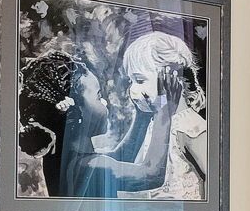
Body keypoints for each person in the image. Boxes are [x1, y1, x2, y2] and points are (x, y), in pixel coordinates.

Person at [87, 30, 207, 200]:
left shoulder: (190, 127)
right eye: (131, 81)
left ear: (170, 78)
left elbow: (213, 181)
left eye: (140, 80)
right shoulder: (156, 123)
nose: (133, 90)